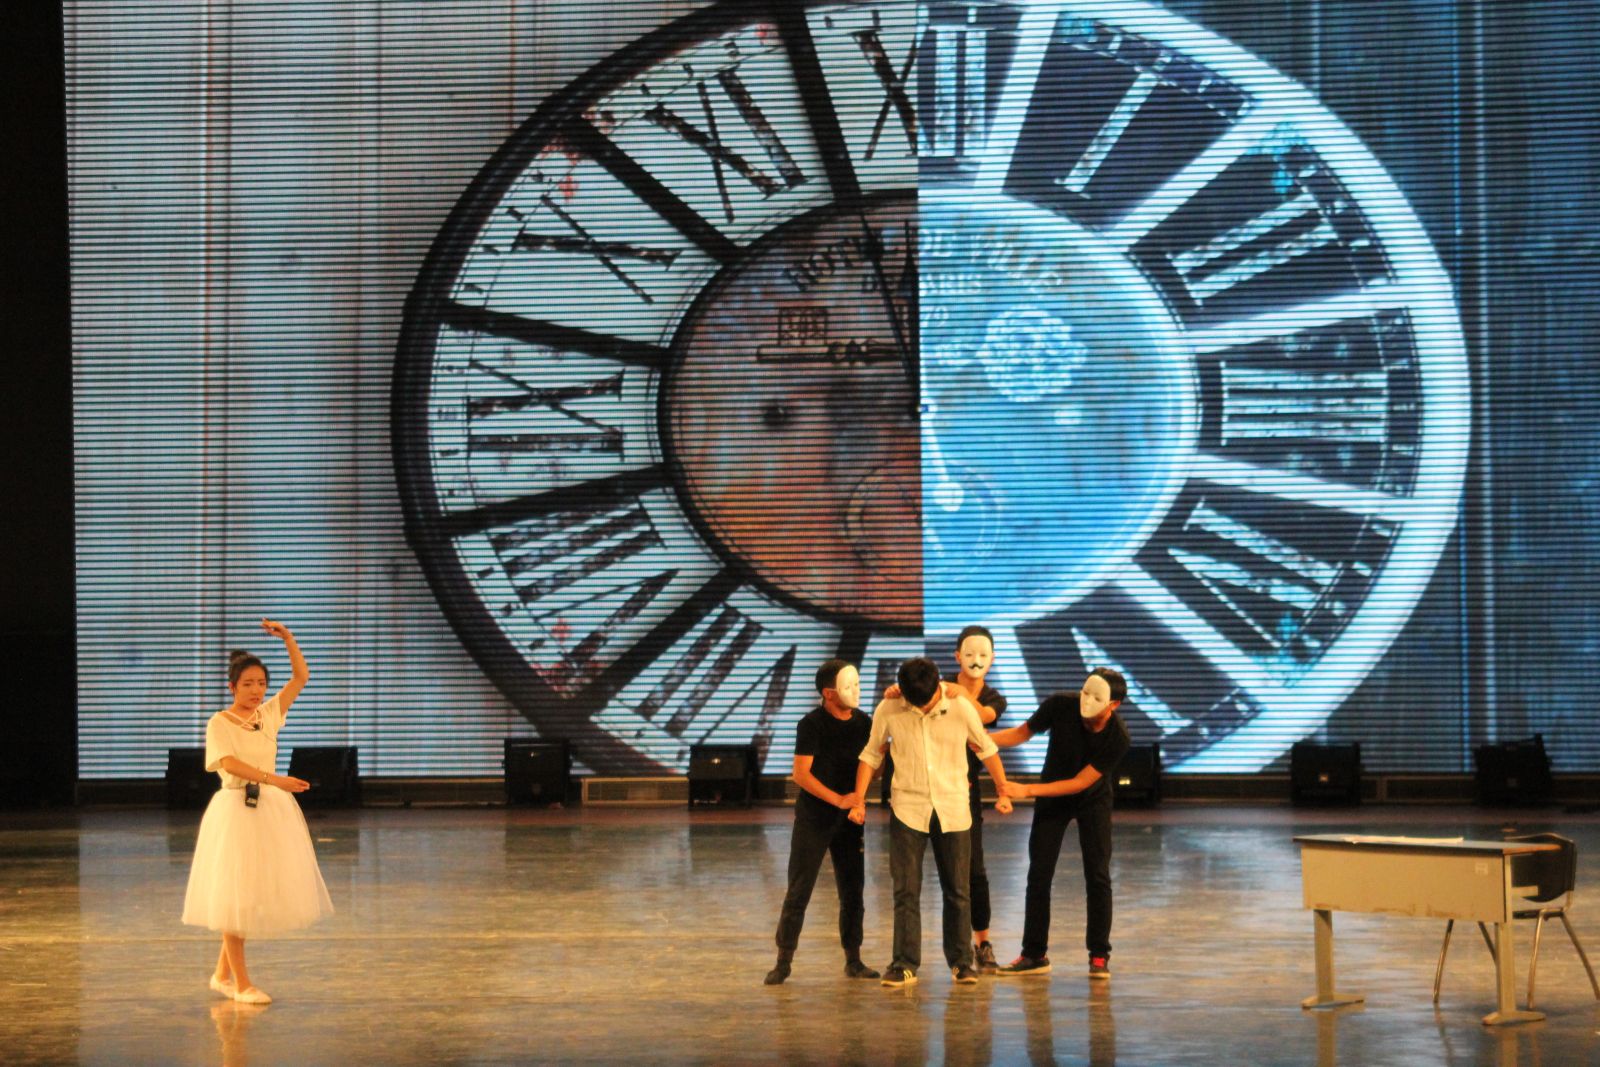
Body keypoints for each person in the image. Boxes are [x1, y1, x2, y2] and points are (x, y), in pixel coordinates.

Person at [182, 619, 334, 1004]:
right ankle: (241, 984)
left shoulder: (268, 715)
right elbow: (229, 763)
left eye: (261, 684)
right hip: (236, 809)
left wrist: (289, 638)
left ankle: (221, 975)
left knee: (249, 895)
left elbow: (301, 678)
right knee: (236, 896)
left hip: (266, 810)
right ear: (232, 687)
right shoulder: (220, 722)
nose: (256, 691)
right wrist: (275, 779)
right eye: (248, 684)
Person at [848, 657, 1014, 988]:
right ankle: (904, 963)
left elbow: (986, 748)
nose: (921, 708)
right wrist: (858, 799)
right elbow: (871, 753)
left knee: (958, 889)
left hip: (953, 808)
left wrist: (1003, 791)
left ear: (938, 686)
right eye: (914, 702)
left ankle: (962, 962)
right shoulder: (889, 708)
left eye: (926, 701)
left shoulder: (960, 707)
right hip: (908, 808)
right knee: (905, 890)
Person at [990, 668, 1130, 980]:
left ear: (1114, 704)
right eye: (1085, 692)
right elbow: (1022, 733)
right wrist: (980, 740)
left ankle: (1099, 955)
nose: (1086, 700)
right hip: (1052, 797)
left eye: (1096, 697)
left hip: (1092, 800)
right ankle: (1034, 954)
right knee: (1039, 874)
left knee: (1098, 875)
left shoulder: (1118, 737)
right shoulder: (1059, 705)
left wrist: (1027, 790)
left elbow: (1080, 783)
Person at [765, 659, 880, 985]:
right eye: (848, 686)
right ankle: (783, 960)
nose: (856, 691)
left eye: (857, 684)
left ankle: (853, 959)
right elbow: (801, 774)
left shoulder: (865, 722)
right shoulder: (811, 724)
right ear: (829, 693)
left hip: (850, 819)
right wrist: (838, 799)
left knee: (853, 889)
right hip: (815, 817)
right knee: (799, 888)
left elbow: (871, 767)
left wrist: (859, 794)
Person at [946, 625, 1006, 973]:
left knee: (974, 870)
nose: (976, 660)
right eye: (969, 654)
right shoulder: (938, 686)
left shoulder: (994, 697)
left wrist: (957, 694)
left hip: (966, 789)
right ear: (957, 656)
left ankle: (982, 943)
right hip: (929, 786)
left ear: (993, 659)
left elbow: (984, 717)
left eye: (984, 655)